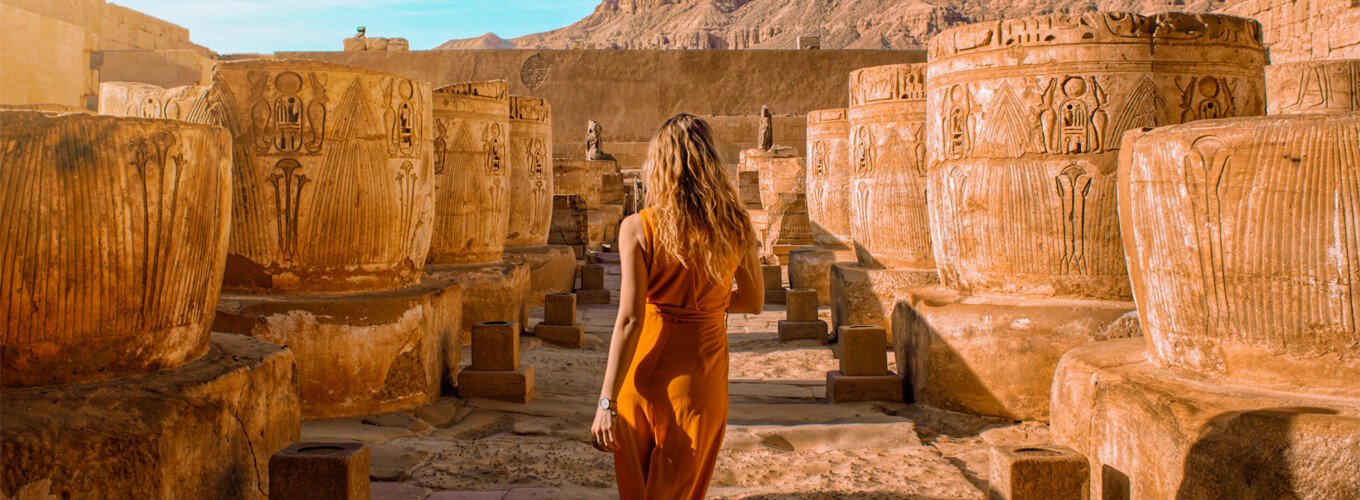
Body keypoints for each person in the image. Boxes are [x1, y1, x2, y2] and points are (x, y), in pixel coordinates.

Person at [591, 114, 765, 499]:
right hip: (700, 380)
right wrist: (707, 305)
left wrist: (607, 399)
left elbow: (631, 319)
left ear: (660, 166)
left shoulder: (638, 227)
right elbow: (754, 302)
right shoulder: (735, 227)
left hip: (641, 375)